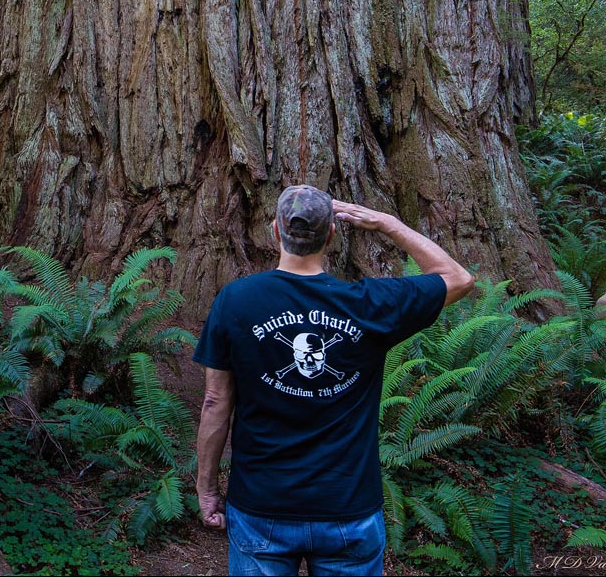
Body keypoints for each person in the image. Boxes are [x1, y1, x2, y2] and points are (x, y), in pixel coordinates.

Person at [193, 184, 474, 577]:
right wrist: (386, 223)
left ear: (275, 230)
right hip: (347, 508)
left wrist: (207, 490)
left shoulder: (235, 301)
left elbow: (214, 403)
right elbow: (457, 278)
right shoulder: (370, 304)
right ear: (332, 235)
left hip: (262, 504)